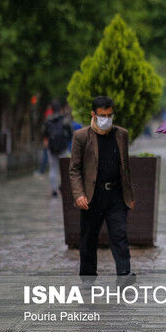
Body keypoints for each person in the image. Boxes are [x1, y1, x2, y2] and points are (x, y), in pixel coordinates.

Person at [69, 96, 136, 286]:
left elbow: (126, 167)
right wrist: (79, 194)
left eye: (109, 115)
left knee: (120, 234)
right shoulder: (81, 136)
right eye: (102, 115)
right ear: (93, 114)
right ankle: (88, 277)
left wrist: (129, 195)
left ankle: (124, 274)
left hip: (115, 194)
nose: (106, 118)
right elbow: (74, 169)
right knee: (89, 238)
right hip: (93, 196)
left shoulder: (121, 134)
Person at [43, 101, 73, 196]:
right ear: (60, 109)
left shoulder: (48, 121)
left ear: (51, 109)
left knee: (53, 169)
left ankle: (54, 190)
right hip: (63, 148)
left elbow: (44, 134)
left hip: (52, 149)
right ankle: (64, 187)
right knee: (65, 169)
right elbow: (70, 134)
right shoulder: (65, 120)